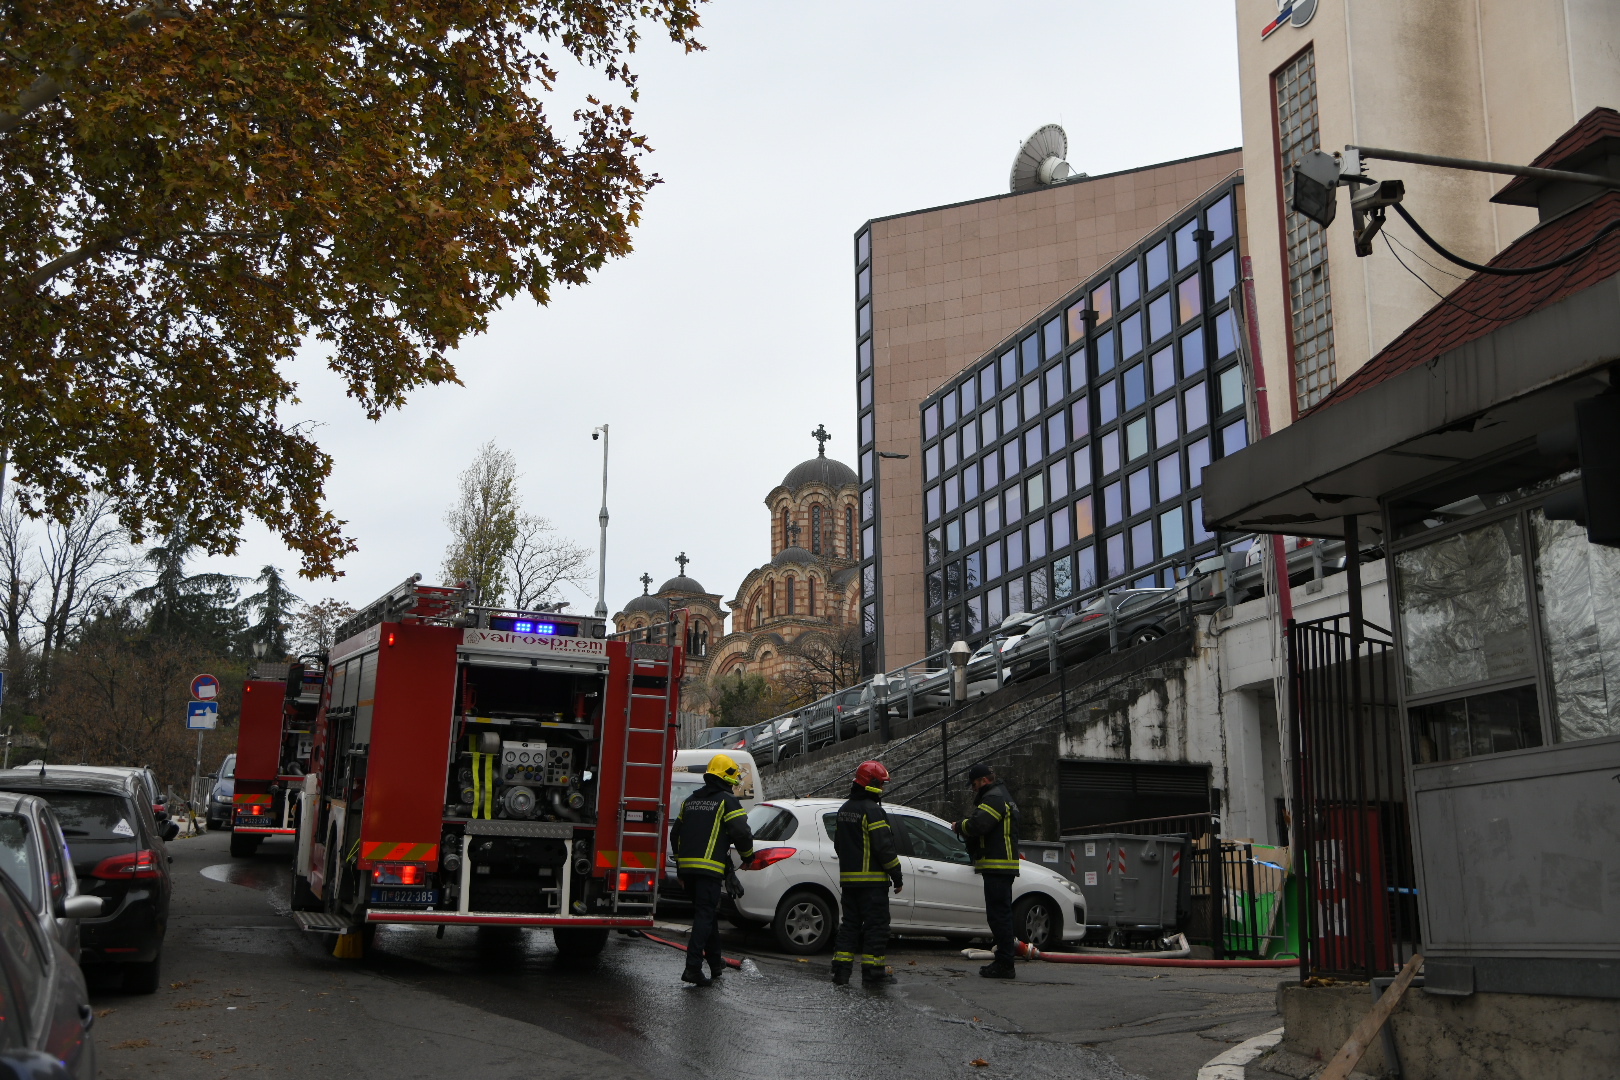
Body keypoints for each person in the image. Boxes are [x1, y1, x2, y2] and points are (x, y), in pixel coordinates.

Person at [671, 753, 756, 985]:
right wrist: (748, 856)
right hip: (708, 872)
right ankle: (692, 968)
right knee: (704, 917)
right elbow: (741, 832)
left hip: (688, 872)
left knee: (707, 917)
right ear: (726, 779)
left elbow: (674, 834)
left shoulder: (690, 801)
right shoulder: (726, 801)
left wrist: (680, 867)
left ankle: (716, 963)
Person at [831, 760, 903, 987]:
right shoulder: (873, 811)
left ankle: (841, 974)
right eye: (881, 784)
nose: (882, 789)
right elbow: (884, 848)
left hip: (849, 885)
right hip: (873, 886)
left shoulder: (844, 810)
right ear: (871, 783)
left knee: (849, 928)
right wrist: (897, 875)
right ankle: (873, 976)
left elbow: (838, 846)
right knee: (876, 929)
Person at [953, 762, 1020, 979]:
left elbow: (978, 825)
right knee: (1000, 915)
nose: (973, 789)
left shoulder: (994, 797)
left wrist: (959, 826)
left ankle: (1005, 964)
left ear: (984, 781)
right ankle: (1004, 960)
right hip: (1001, 866)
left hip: (998, 866)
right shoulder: (1002, 796)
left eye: (973, 784)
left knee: (999, 916)